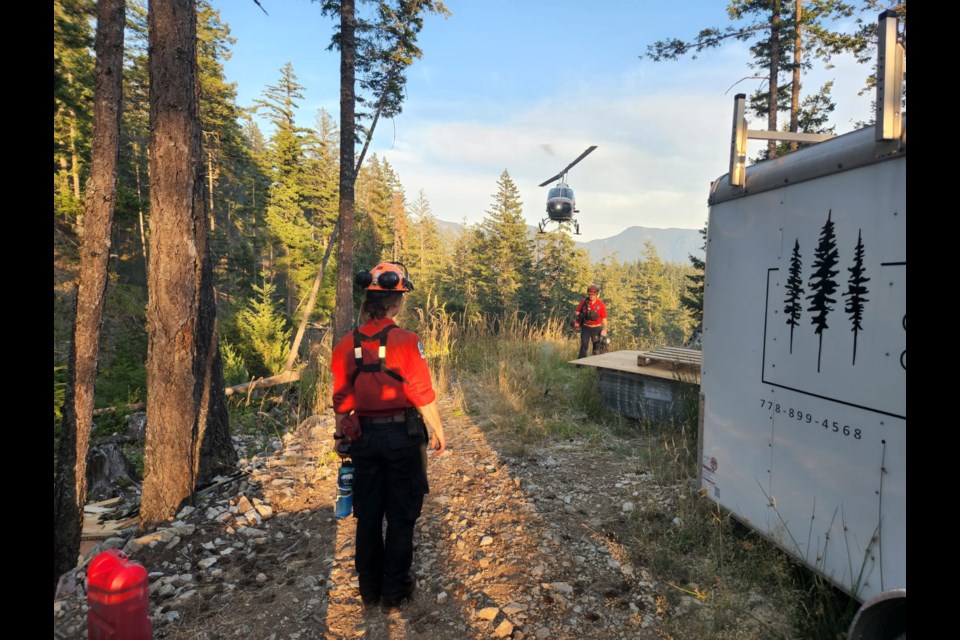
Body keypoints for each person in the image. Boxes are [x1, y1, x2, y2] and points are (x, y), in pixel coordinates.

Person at [330, 261, 447, 609]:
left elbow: (341, 400)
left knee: (367, 515)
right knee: (401, 515)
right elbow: (422, 394)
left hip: (363, 439)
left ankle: (369, 589)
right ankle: (394, 591)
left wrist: (340, 438)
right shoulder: (408, 342)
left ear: (368, 301)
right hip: (403, 437)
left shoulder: (345, 345)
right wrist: (439, 432)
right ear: (397, 303)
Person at [573, 284, 608, 358]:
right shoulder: (584, 301)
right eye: (589, 294)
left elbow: (604, 319)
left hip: (596, 328)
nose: (591, 296)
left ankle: (598, 367)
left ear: (597, 295)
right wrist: (583, 315)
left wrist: (605, 329)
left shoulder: (601, 305)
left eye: (593, 295)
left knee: (597, 347)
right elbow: (576, 312)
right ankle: (580, 365)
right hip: (586, 327)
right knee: (584, 346)